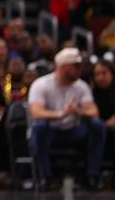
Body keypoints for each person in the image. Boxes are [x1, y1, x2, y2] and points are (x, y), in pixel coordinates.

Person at [28, 48, 106, 191]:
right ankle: (45, 177)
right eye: (76, 66)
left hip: (73, 131)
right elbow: (36, 112)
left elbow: (94, 111)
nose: (79, 70)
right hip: (51, 131)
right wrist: (60, 114)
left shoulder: (81, 86)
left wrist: (78, 110)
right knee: (39, 128)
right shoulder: (41, 84)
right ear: (64, 67)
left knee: (97, 125)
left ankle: (92, 176)